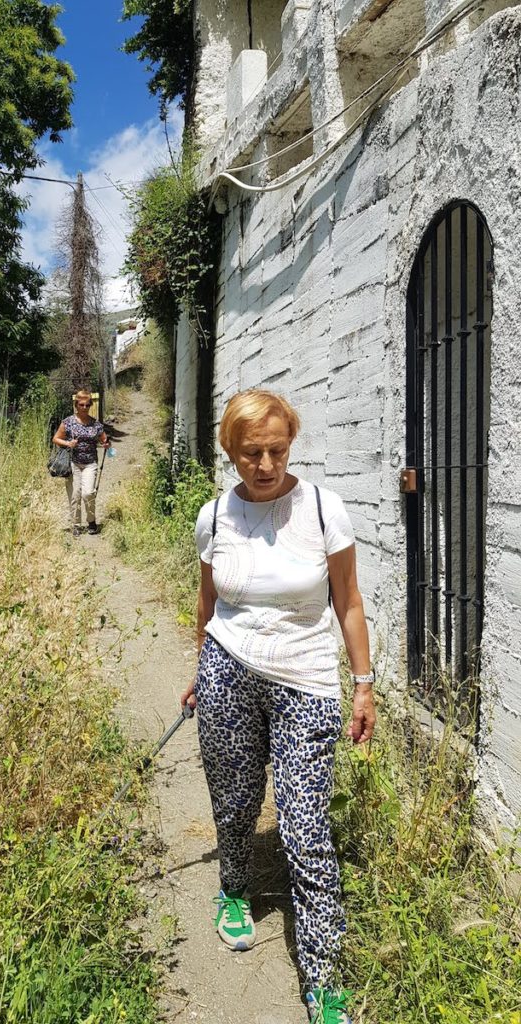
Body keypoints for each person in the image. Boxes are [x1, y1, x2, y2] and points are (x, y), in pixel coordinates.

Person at [180, 389, 376, 1024]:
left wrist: (364, 682)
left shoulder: (324, 509)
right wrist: (200, 671)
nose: (264, 465)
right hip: (229, 672)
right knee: (234, 803)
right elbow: (208, 606)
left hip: (307, 681)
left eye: (276, 450)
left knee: (304, 826)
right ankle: (234, 890)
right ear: (230, 453)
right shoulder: (214, 517)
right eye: (249, 453)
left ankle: (323, 977)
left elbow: (347, 601)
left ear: (291, 444)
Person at [53, 389, 110, 535]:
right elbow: (56, 439)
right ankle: (76, 524)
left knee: (88, 493)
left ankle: (91, 521)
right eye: (81, 405)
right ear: (76, 405)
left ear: (90, 405)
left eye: (87, 405)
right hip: (74, 463)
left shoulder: (95, 424)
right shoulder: (68, 422)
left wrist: (106, 444)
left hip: (90, 463)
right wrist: (68, 444)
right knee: (74, 495)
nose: (84, 408)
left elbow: (104, 439)